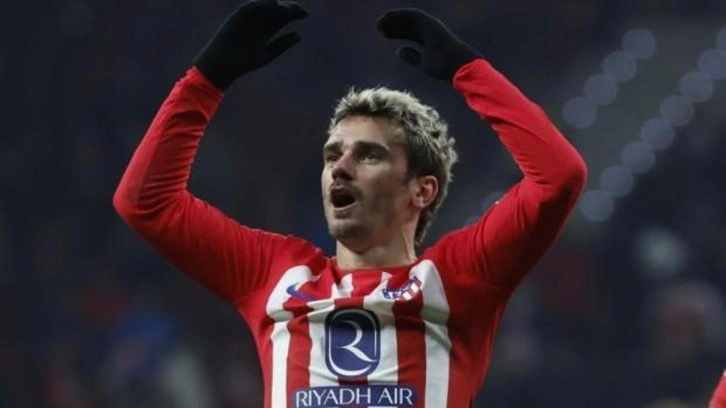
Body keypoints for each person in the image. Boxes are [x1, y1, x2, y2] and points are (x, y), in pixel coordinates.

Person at [113, 1, 587, 406]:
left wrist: (469, 72)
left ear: (422, 191)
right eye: (332, 155)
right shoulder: (275, 273)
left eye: (368, 155)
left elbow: (558, 177)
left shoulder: (458, 278)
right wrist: (206, 79)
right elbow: (145, 202)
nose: (340, 167)